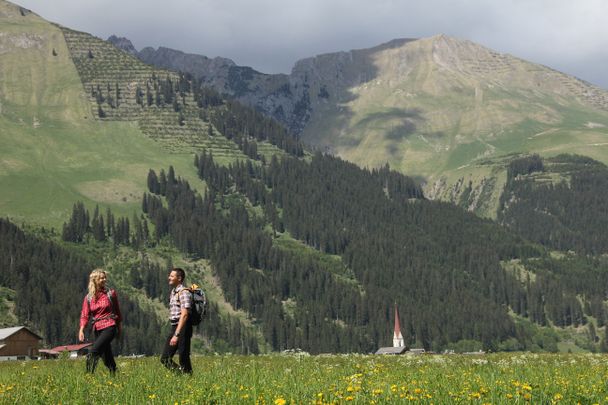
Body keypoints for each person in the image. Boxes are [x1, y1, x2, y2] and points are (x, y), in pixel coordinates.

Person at [78, 269, 122, 375]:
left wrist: (119, 327)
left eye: (105, 277)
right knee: (107, 357)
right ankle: (115, 375)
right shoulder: (88, 298)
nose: (104, 280)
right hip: (97, 329)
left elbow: (117, 311)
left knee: (93, 352)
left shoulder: (110, 294)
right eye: (101, 278)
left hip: (110, 326)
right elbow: (85, 314)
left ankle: (88, 376)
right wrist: (81, 329)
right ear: (95, 280)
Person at [160, 267, 193, 374]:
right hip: (175, 326)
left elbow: (184, 315)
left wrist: (177, 334)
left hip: (183, 327)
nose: (169, 278)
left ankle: (188, 379)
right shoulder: (173, 292)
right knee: (165, 358)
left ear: (179, 278)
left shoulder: (184, 292)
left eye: (171, 276)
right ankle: (183, 376)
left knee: (183, 357)